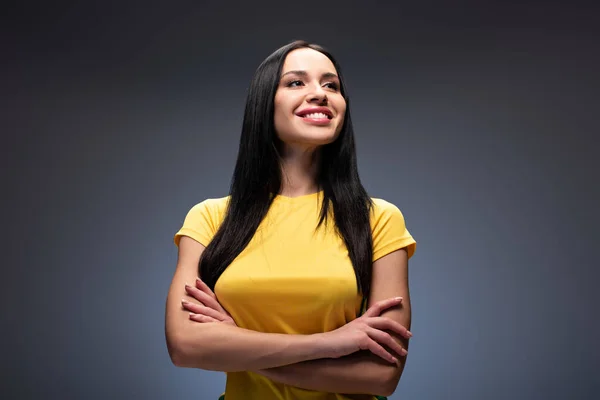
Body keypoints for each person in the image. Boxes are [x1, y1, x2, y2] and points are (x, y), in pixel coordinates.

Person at [165, 40, 417, 400]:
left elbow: (380, 375)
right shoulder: (209, 218)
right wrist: (330, 343)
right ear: (264, 103)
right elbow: (185, 346)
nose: (320, 94)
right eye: (296, 83)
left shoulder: (378, 219)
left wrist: (236, 346)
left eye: (331, 85)